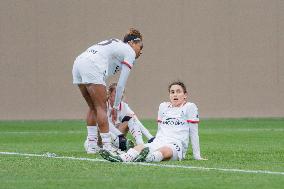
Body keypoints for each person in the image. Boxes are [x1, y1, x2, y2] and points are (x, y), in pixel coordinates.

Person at [72, 28, 143, 155]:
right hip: (91, 64)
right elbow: (121, 85)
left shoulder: (117, 47)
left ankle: (92, 146)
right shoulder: (129, 52)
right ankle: (107, 146)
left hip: (78, 62)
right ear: (132, 43)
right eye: (140, 46)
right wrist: (115, 106)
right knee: (101, 107)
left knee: (93, 107)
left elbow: (105, 67)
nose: (141, 51)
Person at [100, 81, 207, 162]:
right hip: (160, 140)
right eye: (172, 92)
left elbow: (194, 133)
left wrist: (197, 156)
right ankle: (120, 158)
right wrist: (154, 141)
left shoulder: (190, 107)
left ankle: (148, 158)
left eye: (178, 92)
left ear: (185, 95)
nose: (175, 95)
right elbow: (160, 128)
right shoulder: (163, 107)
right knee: (141, 147)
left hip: (176, 144)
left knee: (164, 151)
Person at [83, 83, 154, 153]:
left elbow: (136, 121)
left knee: (131, 118)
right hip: (101, 140)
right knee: (101, 126)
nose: (121, 94)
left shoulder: (124, 106)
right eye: (117, 92)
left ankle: (140, 145)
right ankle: (94, 146)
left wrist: (150, 137)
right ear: (109, 94)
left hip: (117, 139)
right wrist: (120, 136)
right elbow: (105, 124)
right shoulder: (103, 106)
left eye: (122, 92)